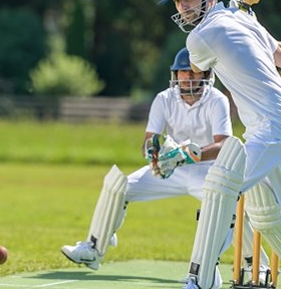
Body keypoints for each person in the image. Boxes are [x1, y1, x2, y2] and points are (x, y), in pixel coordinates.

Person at [61, 47, 266, 283]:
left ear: (206, 75)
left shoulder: (216, 100)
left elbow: (223, 145)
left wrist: (189, 155)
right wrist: (154, 154)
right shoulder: (164, 99)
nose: (188, 76)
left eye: (194, 71)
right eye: (183, 72)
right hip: (171, 169)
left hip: (205, 171)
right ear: (175, 74)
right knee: (119, 185)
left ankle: (255, 266)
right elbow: (149, 139)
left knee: (229, 204)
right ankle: (93, 248)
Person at [158, 0, 281, 289]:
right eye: (178, 2)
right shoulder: (242, 20)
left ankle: (198, 280)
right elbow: (279, 54)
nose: (183, 8)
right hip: (266, 128)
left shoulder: (200, 37)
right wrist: (246, 19)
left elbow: (198, 65)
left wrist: (240, 18)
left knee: (219, 189)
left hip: (272, 128)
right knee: (268, 216)